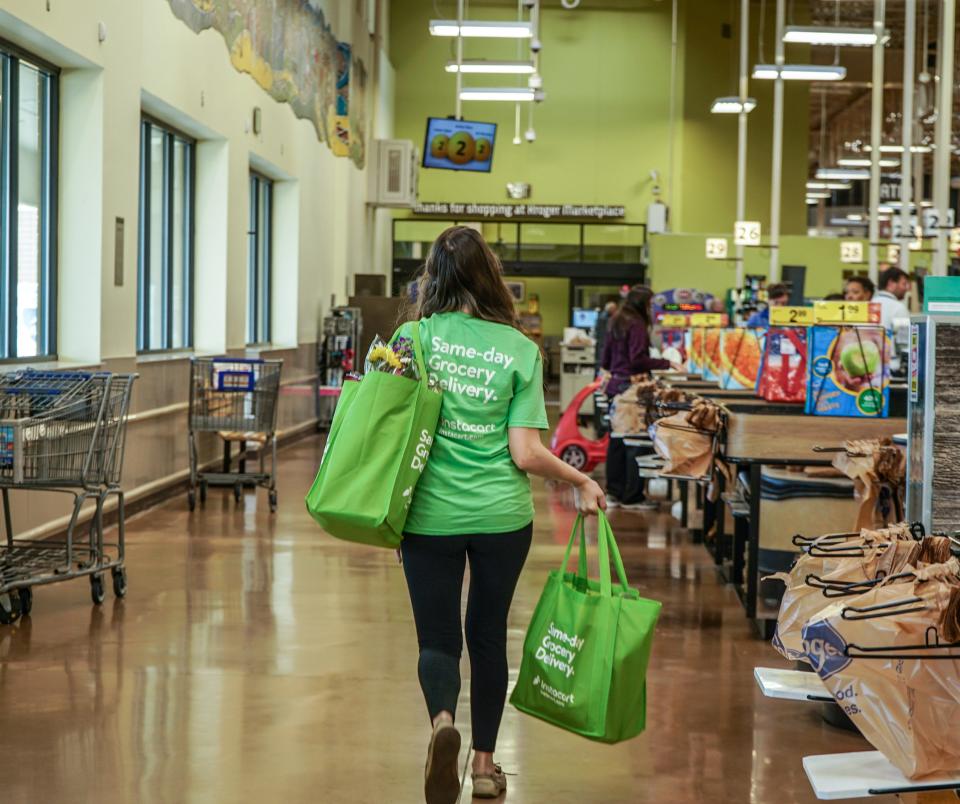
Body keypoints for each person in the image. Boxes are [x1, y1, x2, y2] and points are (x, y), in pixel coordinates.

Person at [395, 226, 607, 804]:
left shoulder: (412, 339)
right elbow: (526, 453)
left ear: (432, 278)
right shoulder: (519, 349)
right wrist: (582, 478)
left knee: (437, 640)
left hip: (427, 514)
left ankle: (443, 724)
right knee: (487, 636)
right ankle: (485, 769)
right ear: (491, 277)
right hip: (500, 517)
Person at [601, 285, 678, 511]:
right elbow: (637, 360)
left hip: (615, 387)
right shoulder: (636, 324)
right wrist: (667, 363)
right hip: (631, 388)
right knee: (635, 442)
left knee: (616, 441)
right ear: (642, 303)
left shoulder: (616, 320)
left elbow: (605, 359)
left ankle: (614, 492)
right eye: (650, 303)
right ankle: (633, 496)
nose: (652, 308)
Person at [594, 299, 619, 365]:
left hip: (601, 344)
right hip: (604, 344)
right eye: (615, 309)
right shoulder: (606, 319)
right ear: (611, 309)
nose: (616, 311)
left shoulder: (601, 316)